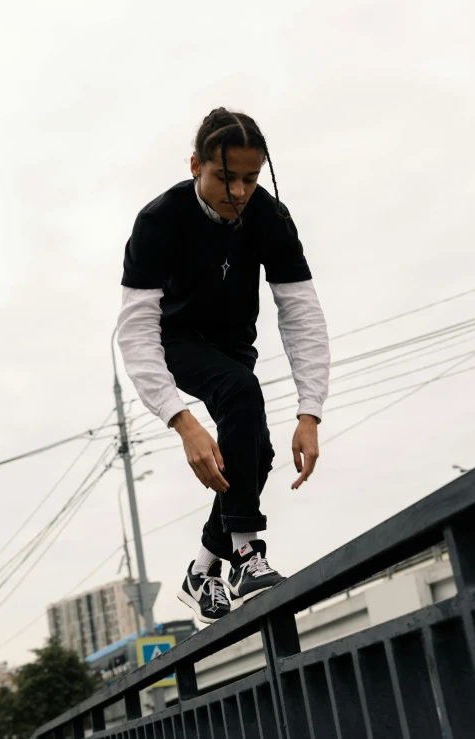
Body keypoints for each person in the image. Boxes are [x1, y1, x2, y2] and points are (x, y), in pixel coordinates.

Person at [117, 108, 330, 624]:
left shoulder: (270, 218)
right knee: (239, 392)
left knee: (254, 453)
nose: (238, 192)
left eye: (250, 179)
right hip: (176, 339)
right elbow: (135, 329)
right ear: (196, 165)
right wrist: (180, 419)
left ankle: (203, 569)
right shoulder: (158, 220)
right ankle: (246, 554)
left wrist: (310, 410)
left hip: (233, 347)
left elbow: (300, 311)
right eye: (225, 178)